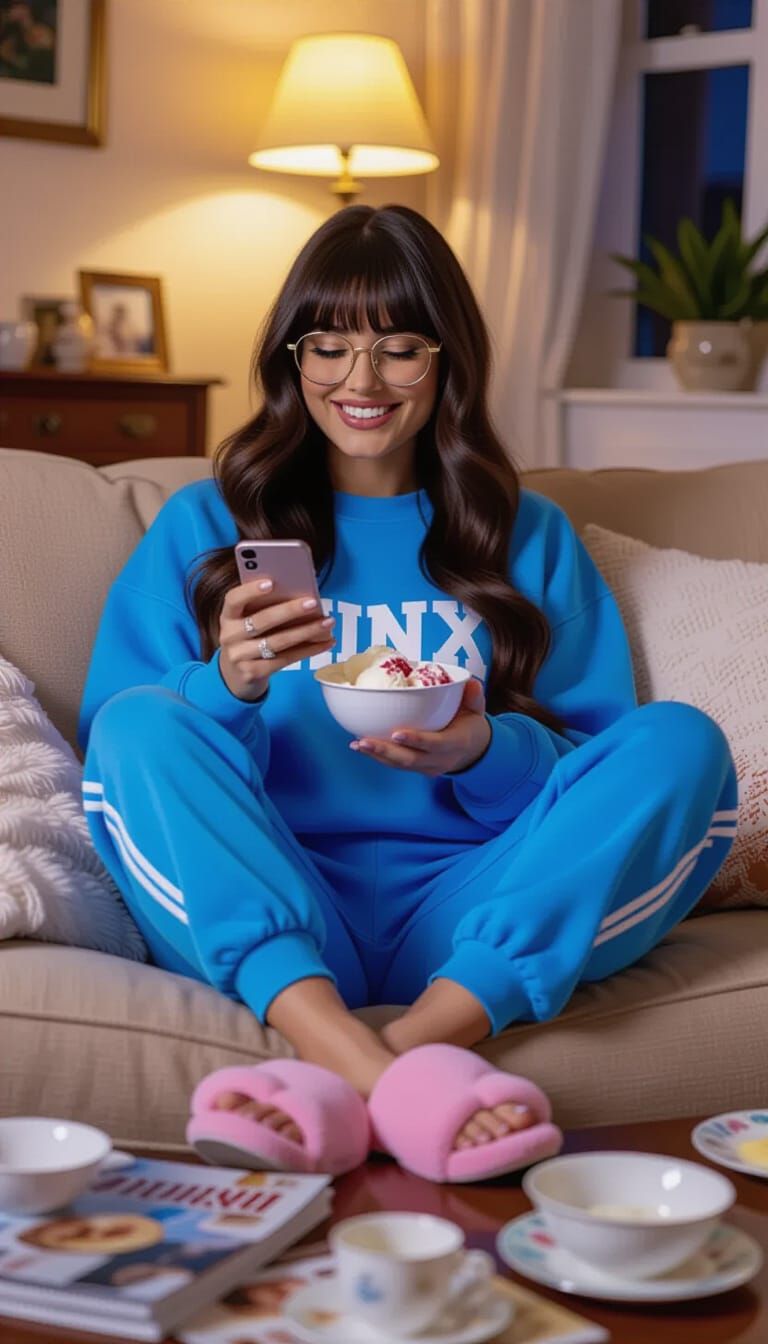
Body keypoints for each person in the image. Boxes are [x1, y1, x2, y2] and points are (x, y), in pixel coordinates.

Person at [79, 205, 737, 1183]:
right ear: (291, 359)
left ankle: (405, 1048)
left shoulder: (526, 533)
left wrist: (483, 749)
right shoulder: (207, 523)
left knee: (682, 742)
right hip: (283, 881)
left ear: (447, 361)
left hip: (472, 896)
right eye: (330, 346)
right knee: (143, 724)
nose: (362, 380)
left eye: (399, 348)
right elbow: (121, 750)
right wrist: (228, 685)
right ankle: (375, 1069)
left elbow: (593, 754)